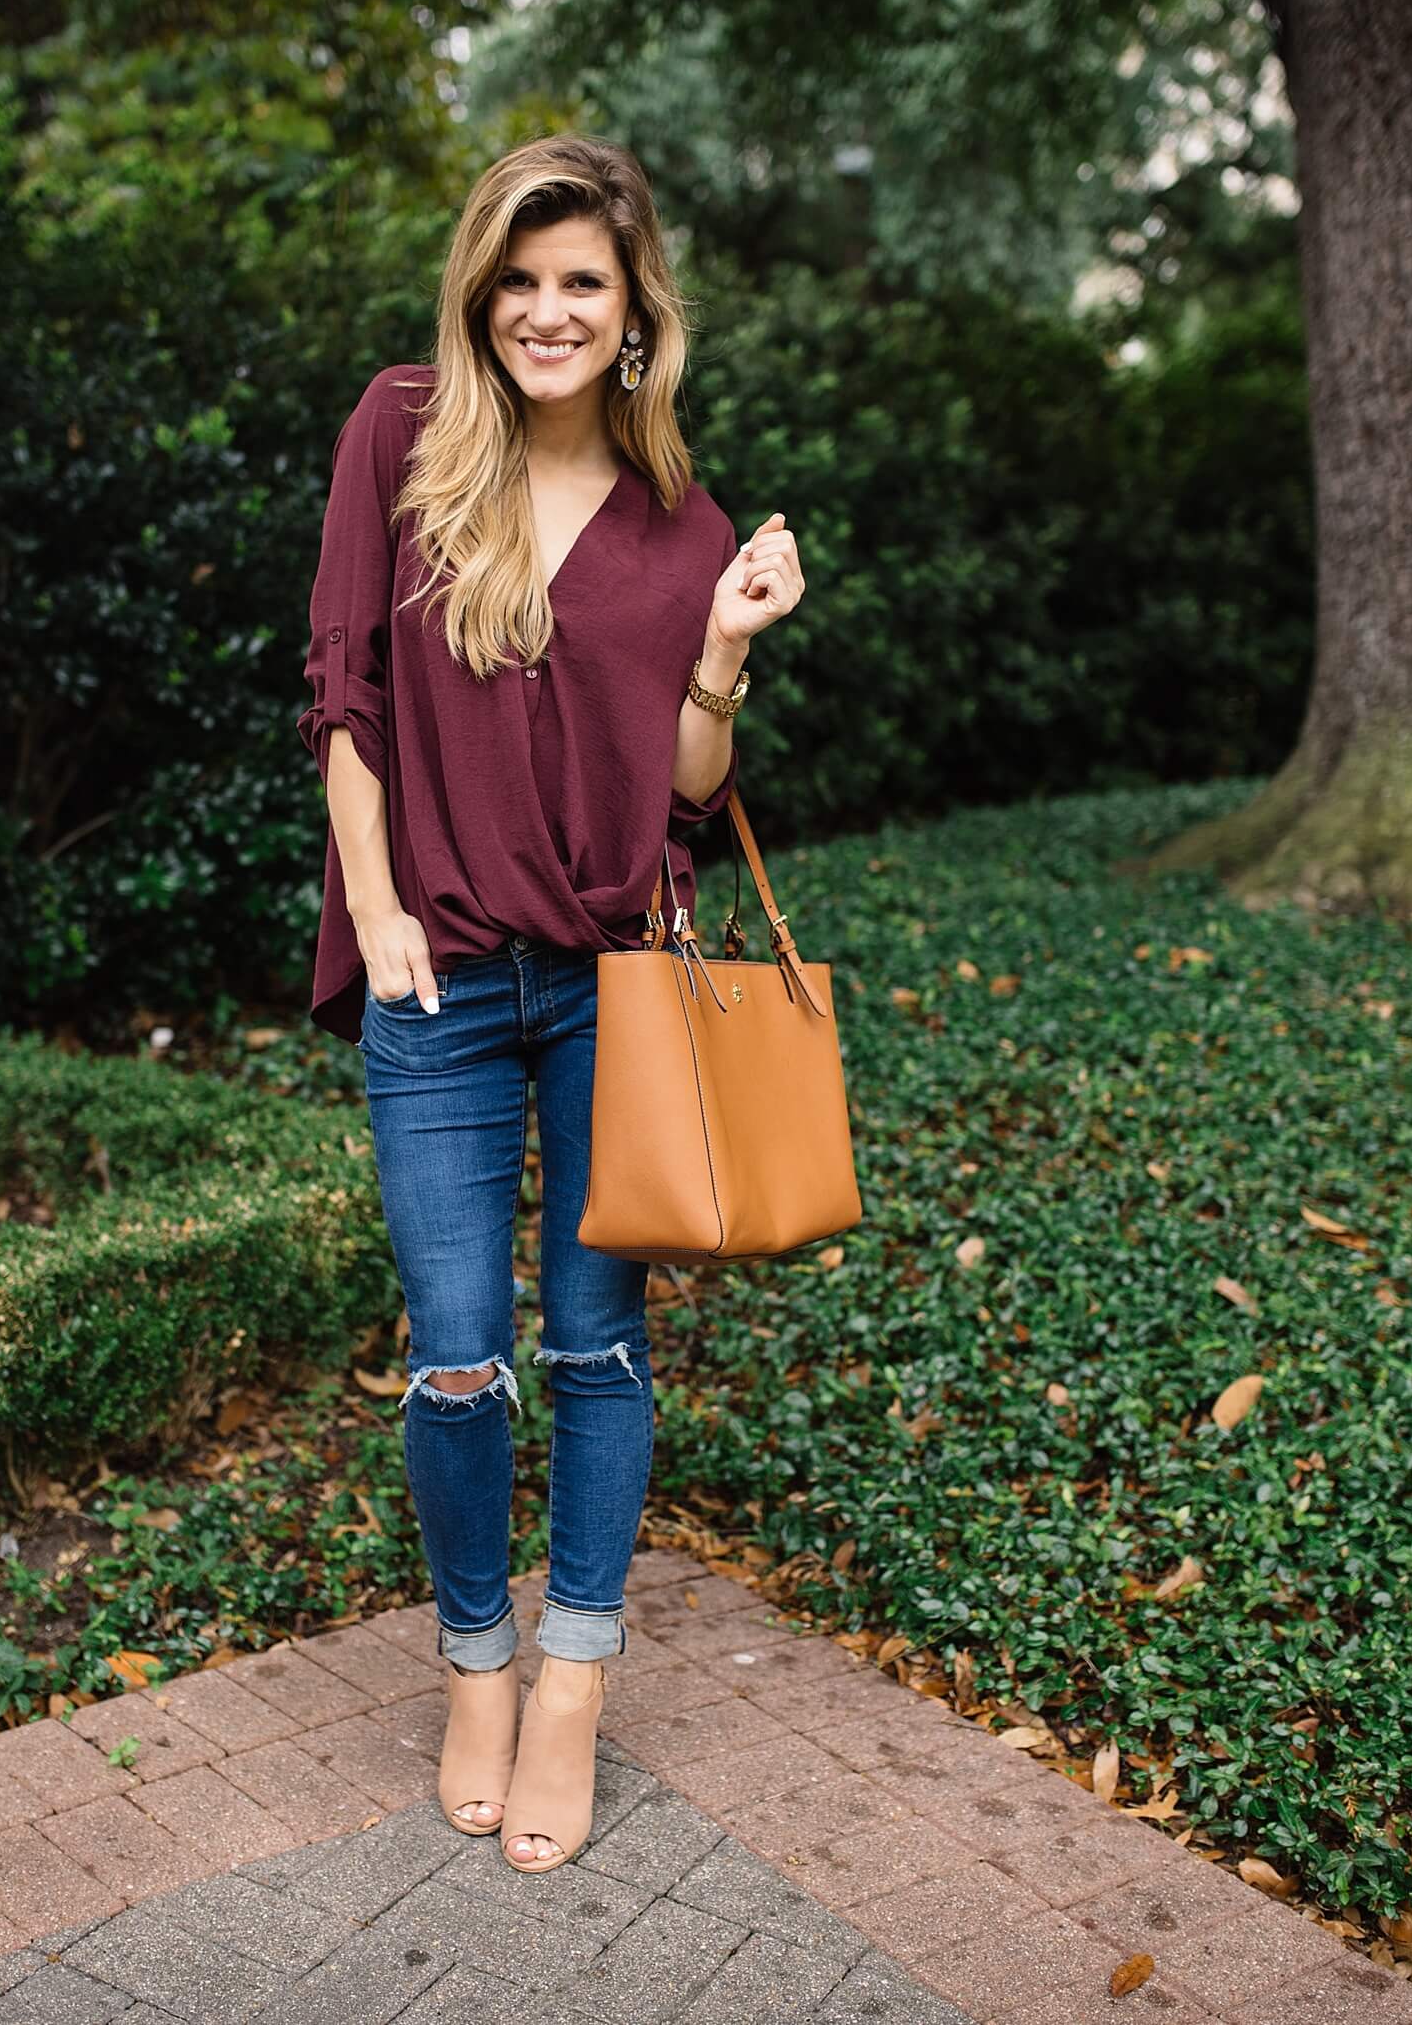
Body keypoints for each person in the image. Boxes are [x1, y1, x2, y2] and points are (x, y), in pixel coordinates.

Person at [296, 133, 804, 1874]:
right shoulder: (400, 434)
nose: (545, 310)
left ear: (635, 309)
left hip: (612, 991)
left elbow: (682, 793)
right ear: (479, 292)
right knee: (456, 1363)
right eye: (518, 279)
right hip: (432, 969)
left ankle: (574, 1678)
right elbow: (343, 695)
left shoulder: (687, 526)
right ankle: (475, 1666)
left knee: (593, 1347)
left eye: (581, 280)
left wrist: (725, 651)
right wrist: (373, 911)